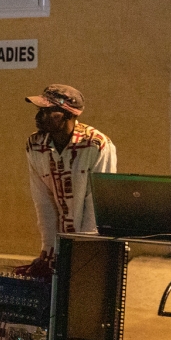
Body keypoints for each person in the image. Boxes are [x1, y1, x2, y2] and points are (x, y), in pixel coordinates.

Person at [18, 85, 116, 278]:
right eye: (40, 110)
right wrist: (48, 248)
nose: (40, 116)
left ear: (68, 114)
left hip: (91, 243)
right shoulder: (35, 145)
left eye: (48, 111)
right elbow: (43, 200)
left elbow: (96, 205)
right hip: (60, 241)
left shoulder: (96, 145)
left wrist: (84, 254)